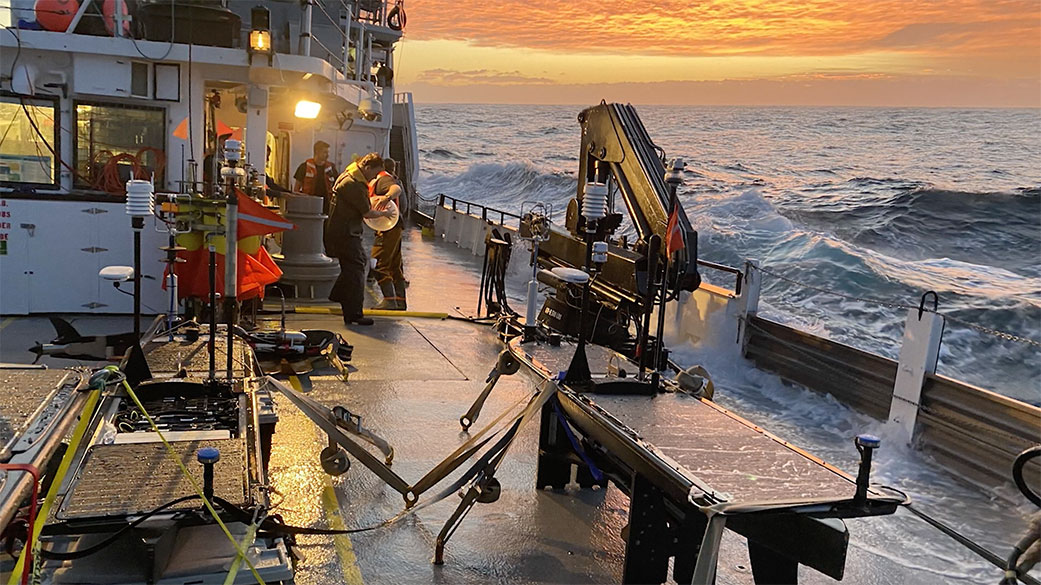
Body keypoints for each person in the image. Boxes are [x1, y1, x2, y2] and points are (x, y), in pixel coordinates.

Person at [326, 153, 394, 326]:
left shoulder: (349, 175)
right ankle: (354, 314)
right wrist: (385, 213)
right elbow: (367, 213)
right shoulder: (353, 185)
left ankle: (338, 294)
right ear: (367, 167)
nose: (373, 178)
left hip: (341, 231)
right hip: (346, 233)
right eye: (374, 173)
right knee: (356, 270)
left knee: (356, 265)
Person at [369, 158, 406, 310]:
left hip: (388, 228)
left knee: (379, 262)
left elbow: (396, 189)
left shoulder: (383, 179)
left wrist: (386, 197)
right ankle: (400, 300)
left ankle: (389, 300)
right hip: (396, 226)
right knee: (394, 265)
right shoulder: (384, 178)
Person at [293, 140, 337, 214]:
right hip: (309, 204)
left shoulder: (331, 168)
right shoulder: (304, 167)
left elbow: (336, 185)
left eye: (328, 152)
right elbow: (297, 187)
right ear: (317, 152)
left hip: (326, 205)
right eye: (325, 152)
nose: (327, 155)